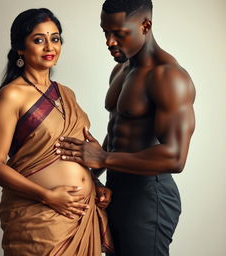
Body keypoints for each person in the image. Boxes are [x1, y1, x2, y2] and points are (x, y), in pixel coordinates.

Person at [56, 0, 196, 255]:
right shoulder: (120, 70)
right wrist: (91, 174)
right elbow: (118, 132)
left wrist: (104, 157)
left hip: (148, 196)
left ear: (145, 25)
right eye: (105, 32)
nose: (109, 41)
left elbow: (176, 157)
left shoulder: (169, 77)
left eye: (119, 33)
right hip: (115, 188)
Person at [0, 8, 113, 256]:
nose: (49, 46)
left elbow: (70, 153)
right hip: (40, 221)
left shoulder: (66, 93)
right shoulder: (11, 96)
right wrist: (47, 196)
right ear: (20, 47)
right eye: (38, 39)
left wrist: (95, 184)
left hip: (79, 215)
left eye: (54, 38)